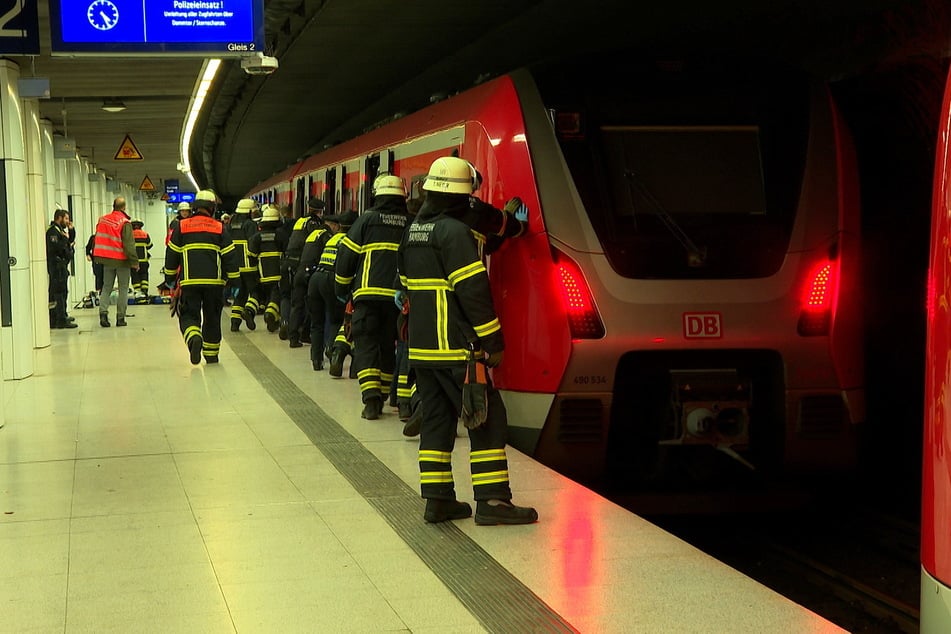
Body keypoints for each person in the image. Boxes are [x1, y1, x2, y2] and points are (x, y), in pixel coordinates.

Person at [396, 156, 537, 525]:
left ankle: (438, 500)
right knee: (488, 418)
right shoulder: (454, 233)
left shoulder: (413, 232)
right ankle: (492, 501)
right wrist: (493, 341)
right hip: (458, 347)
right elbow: (473, 291)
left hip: (423, 349)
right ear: (461, 196)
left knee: (438, 421)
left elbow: (408, 286)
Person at [335, 174, 408, 420]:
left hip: (367, 295)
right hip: (398, 299)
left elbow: (347, 257)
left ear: (376, 195)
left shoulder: (366, 220)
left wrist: (341, 288)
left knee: (365, 344)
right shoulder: (410, 222)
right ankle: (384, 393)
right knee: (389, 346)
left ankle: (371, 400)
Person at [163, 190, 239, 364]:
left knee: (189, 315)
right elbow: (230, 256)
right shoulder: (220, 227)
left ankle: (193, 338)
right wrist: (235, 281)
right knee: (212, 317)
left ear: (195, 207)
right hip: (215, 283)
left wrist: (169, 277)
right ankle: (211, 355)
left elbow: (172, 253)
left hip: (189, 282)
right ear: (212, 208)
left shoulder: (181, 227)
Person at [310, 210, 357, 370]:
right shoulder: (350, 240)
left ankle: (316, 360)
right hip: (330, 279)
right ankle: (331, 351)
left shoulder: (332, 238)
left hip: (315, 278)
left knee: (317, 322)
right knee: (336, 319)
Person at [281, 197, 325, 340]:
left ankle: (290, 329)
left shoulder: (299, 220)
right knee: (306, 300)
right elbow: (314, 244)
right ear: (319, 211)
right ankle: (303, 333)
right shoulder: (314, 223)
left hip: (288, 261)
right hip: (302, 263)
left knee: (293, 299)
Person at [93, 196, 139, 327]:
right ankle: (120, 318)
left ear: (114, 206)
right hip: (122, 261)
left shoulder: (103, 220)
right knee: (123, 289)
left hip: (107, 260)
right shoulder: (124, 223)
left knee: (106, 287)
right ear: (124, 207)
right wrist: (135, 262)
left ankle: (103, 314)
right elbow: (129, 245)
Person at [243, 204, 285, 332]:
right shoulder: (280, 235)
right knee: (275, 295)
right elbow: (287, 252)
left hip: (261, 273)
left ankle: (249, 310)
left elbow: (251, 255)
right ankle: (271, 314)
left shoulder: (256, 237)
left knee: (259, 294)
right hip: (277, 273)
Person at [228, 198, 259, 331]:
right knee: (256, 292)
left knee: (240, 294)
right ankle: (249, 310)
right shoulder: (250, 224)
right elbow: (254, 242)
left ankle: (235, 322)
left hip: (235, 265)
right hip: (249, 265)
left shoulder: (231, 224)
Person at [46, 209, 78, 329]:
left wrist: (71, 230)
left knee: (64, 291)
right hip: (56, 266)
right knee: (59, 293)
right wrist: (65, 240)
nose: (67, 221)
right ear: (59, 218)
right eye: (66, 219)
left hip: (62, 266)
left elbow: (69, 241)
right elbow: (57, 247)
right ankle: (60, 320)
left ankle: (63, 314)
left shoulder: (61, 231)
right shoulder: (53, 232)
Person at [130, 218, 153, 302]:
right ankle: (145, 291)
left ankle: (138, 294)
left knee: (135, 277)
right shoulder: (145, 234)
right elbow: (149, 245)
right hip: (144, 261)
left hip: (133, 261)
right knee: (144, 275)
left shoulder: (129, 235)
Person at [84, 233, 103, 297]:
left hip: (106, 261)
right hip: (97, 260)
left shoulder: (107, 237)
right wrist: (88, 255)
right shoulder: (93, 238)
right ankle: (99, 293)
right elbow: (88, 247)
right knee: (98, 277)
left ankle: (105, 294)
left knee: (106, 278)